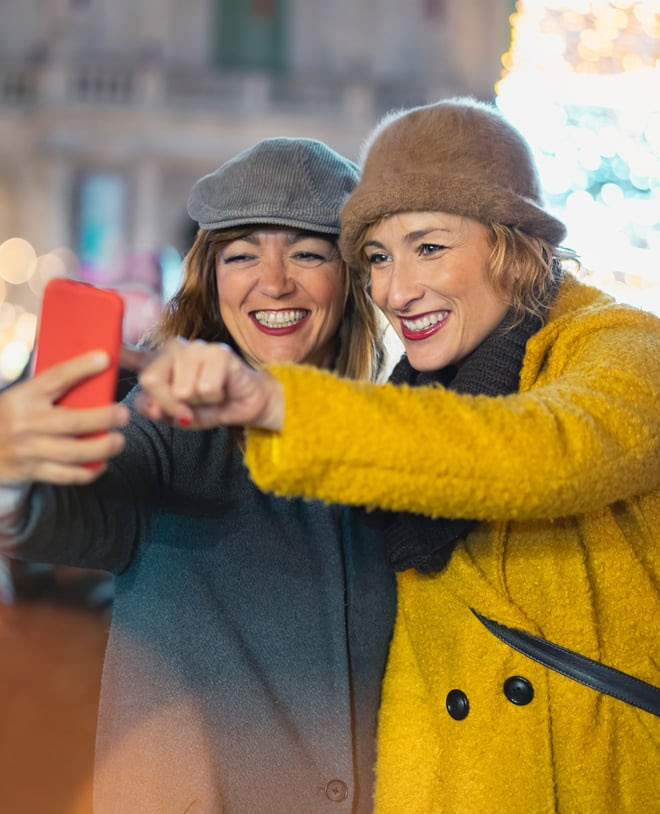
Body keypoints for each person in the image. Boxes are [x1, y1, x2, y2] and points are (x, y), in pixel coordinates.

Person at [134, 99, 660, 814]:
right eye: (377, 257)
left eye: (430, 247)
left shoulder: (621, 347)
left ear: (514, 242)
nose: (395, 289)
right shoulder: (406, 396)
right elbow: (414, 701)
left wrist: (276, 403)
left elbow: (542, 450)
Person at [0, 137, 397, 813]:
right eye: (242, 255)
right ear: (213, 281)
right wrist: (11, 471)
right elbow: (73, 512)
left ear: (352, 277)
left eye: (306, 252)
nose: (273, 282)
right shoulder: (174, 422)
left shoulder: (394, 434)